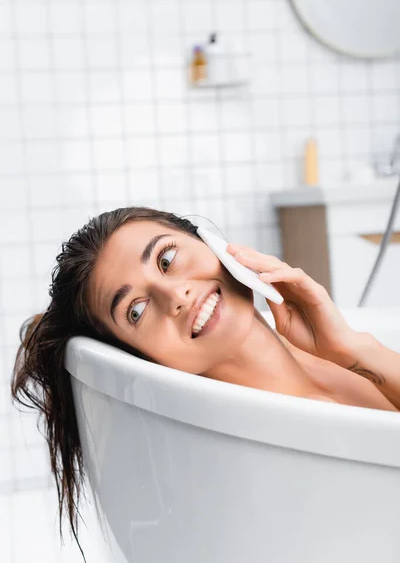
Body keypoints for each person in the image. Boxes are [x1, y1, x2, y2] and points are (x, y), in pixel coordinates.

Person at [10, 206, 400, 558]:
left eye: (167, 258)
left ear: (212, 244)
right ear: (142, 359)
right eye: (137, 311)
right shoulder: (276, 452)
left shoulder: (333, 356)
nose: (174, 294)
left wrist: (352, 348)